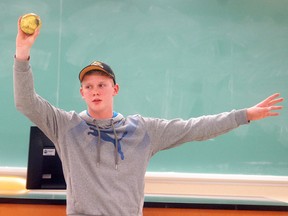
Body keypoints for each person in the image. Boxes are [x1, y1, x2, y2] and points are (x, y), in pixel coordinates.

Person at [14, 17, 284, 216]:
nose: (95, 91)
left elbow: (195, 127)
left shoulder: (142, 130)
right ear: (82, 93)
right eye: (89, 87)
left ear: (115, 89)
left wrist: (244, 115)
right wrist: (23, 54)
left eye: (102, 85)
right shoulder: (65, 125)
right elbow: (26, 102)